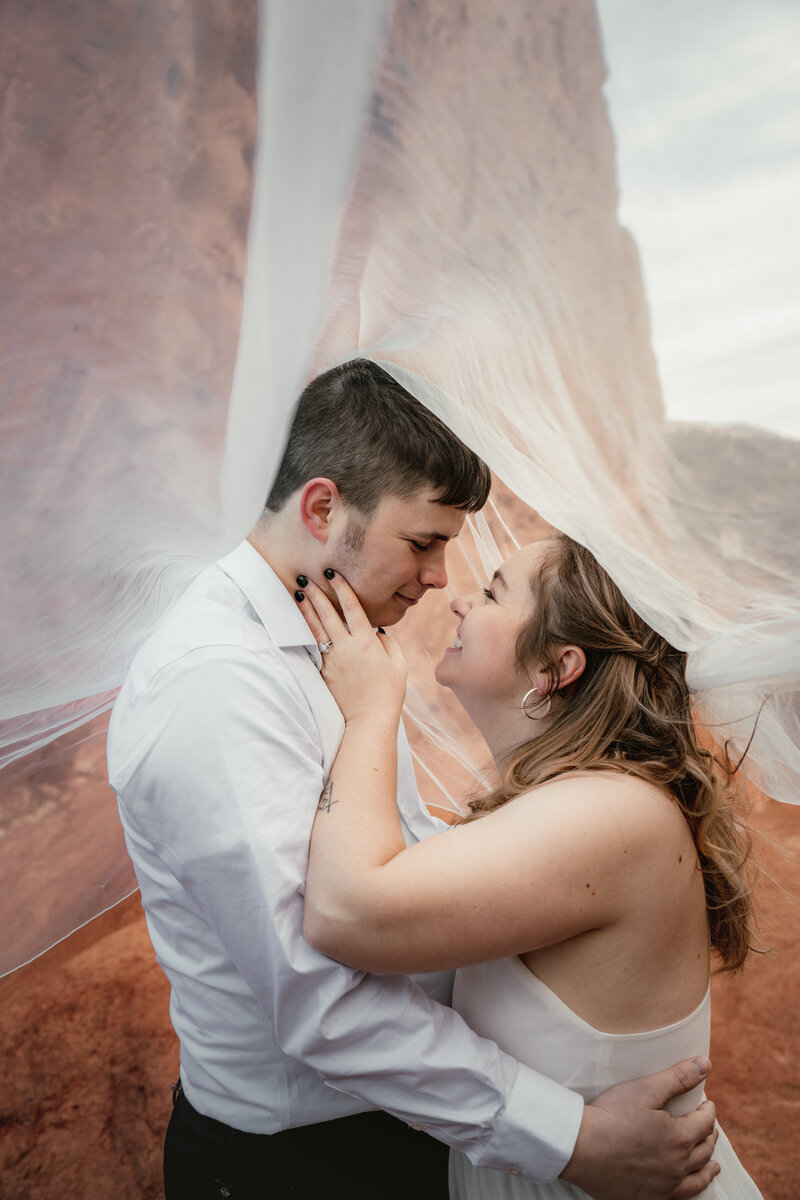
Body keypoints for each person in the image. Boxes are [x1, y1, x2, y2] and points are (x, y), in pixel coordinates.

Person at [108, 358, 720, 1200]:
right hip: (293, 1167)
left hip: (410, 1127)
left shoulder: (347, 643)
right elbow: (322, 1004)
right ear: (323, 508)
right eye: (424, 542)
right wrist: (568, 1137)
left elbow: (391, 857)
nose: (441, 581)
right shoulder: (215, 685)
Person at [300, 534, 763, 1199]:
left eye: (491, 594)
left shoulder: (608, 814)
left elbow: (346, 913)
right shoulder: (575, 803)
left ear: (555, 667)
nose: (460, 602)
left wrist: (371, 710)